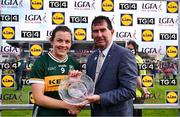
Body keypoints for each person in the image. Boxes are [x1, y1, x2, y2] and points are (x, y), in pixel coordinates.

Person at [85, 15, 138, 116]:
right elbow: (90, 87)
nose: (99, 34)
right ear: (92, 34)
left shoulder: (124, 55)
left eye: (103, 30)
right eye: (95, 31)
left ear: (112, 32)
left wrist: (100, 98)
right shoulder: (92, 58)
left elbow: (129, 90)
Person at [30, 26, 83, 116]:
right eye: (59, 40)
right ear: (52, 41)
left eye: (67, 41)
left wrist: (72, 84)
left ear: (71, 44)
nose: (63, 45)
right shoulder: (41, 63)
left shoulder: (75, 64)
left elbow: (79, 95)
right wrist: (68, 105)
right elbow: (38, 98)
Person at [127, 40, 151, 117]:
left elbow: (137, 77)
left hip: (135, 93)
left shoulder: (134, 60)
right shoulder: (139, 58)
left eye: (130, 49)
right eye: (127, 49)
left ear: (135, 49)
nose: (128, 51)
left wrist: (144, 90)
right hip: (138, 93)